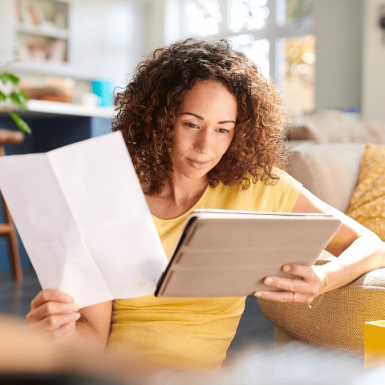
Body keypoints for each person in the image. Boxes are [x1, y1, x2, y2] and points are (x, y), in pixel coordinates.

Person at [27, 39, 385, 371]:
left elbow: (371, 245)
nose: (204, 147)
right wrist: (61, 332)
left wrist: (324, 278)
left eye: (222, 129)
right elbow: (93, 338)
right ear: (159, 120)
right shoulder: (109, 195)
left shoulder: (257, 186)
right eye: (191, 124)